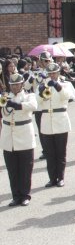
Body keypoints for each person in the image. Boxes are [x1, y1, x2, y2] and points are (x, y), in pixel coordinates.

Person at [2, 73, 37, 206]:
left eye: (17, 84)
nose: (15, 87)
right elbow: (4, 113)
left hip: (24, 136)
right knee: (12, 169)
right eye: (12, 85)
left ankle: (25, 195)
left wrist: (17, 105)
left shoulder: (29, 96)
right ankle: (15, 196)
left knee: (25, 169)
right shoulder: (5, 97)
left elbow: (34, 106)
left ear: (22, 84)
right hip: (9, 137)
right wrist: (7, 103)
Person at [38, 62, 74, 188]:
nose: (52, 75)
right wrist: (41, 92)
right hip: (47, 120)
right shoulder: (43, 85)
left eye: (54, 73)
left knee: (60, 151)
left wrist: (57, 86)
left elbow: (67, 97)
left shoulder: (65, 84)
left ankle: (61, 177)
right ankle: (52, 178)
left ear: (58, 73)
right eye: (50, 73)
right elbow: (37, 104)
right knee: (49, 153)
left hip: (60, 120)